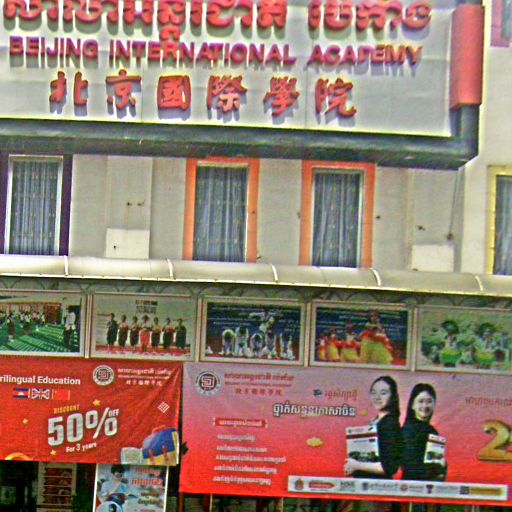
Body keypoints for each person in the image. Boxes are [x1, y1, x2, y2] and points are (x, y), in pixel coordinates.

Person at [344, 375, 402, 479]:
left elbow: (389, 467)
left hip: (378, 484)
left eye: (383, 393)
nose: (377, 397)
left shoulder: (390, 424)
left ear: (393, 396)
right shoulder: (376, 421)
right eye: (374, 392)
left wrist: (357, 465)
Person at [402, 383, 446, 482]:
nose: (425, 406)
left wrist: (442, 465)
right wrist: (438, 468)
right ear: (412, 405)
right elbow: (410, 467)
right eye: (420, 401)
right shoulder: (407, 431)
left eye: (429, 401)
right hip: (412, 486)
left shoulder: (432, 431)